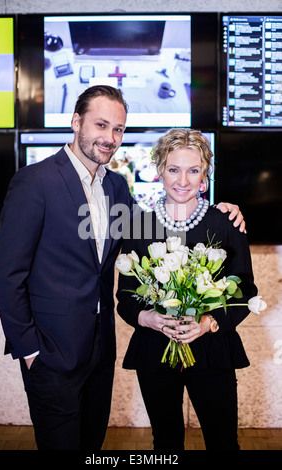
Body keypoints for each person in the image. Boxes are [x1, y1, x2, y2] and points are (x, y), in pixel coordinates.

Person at [0, 86, 245, 451]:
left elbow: (157, 231)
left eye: (119, 129)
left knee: (92, 443)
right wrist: (29, 350)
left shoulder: (116, 187)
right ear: (76, 122)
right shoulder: (35, 182)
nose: (110, 138)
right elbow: (7, 276)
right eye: (101, 125)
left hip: (99, 350)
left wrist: (225, 211)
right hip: (50, 351)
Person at [116, 128, 257, 451]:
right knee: (165, 442)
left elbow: (245, 291)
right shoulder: (139, 224)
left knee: (222, 441)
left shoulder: (225, 223)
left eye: (193, 170)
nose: (183, 180)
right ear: (159, 171)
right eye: (173, 169)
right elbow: (124, 298)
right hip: (155, 350)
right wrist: (148, 318)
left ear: (205, 174)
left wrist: (208, 322)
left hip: (213, 349)